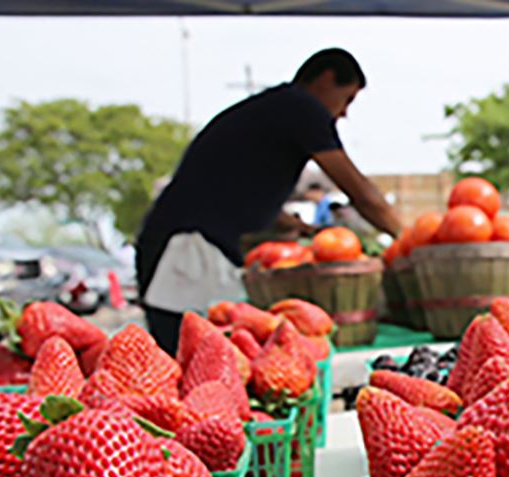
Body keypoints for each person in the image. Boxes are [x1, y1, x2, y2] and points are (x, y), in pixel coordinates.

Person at [136, 47, 403, 355]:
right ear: (326, 80)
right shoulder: (302, 108)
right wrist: (407, 239)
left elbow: (233, 185)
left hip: (183, 242)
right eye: (347, 99)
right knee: (193, 362)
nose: (344, 113)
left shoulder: (275, 109)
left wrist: (290, 224)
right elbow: (362, 194)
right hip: (184, 253)